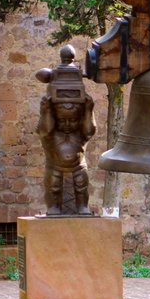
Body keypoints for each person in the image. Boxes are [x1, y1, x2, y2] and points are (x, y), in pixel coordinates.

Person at [35, 45, 96, 215]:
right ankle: (53, 207)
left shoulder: (80, 130)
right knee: (53, 185)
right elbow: (44, 131)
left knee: (82, 184)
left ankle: (82, 206)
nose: (68, 124)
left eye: (73, 120)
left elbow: (89, 131)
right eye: (63, 120)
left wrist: (89, 110)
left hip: (78, 165)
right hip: (54, 164)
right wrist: (46, 110)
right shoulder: (50, 128)